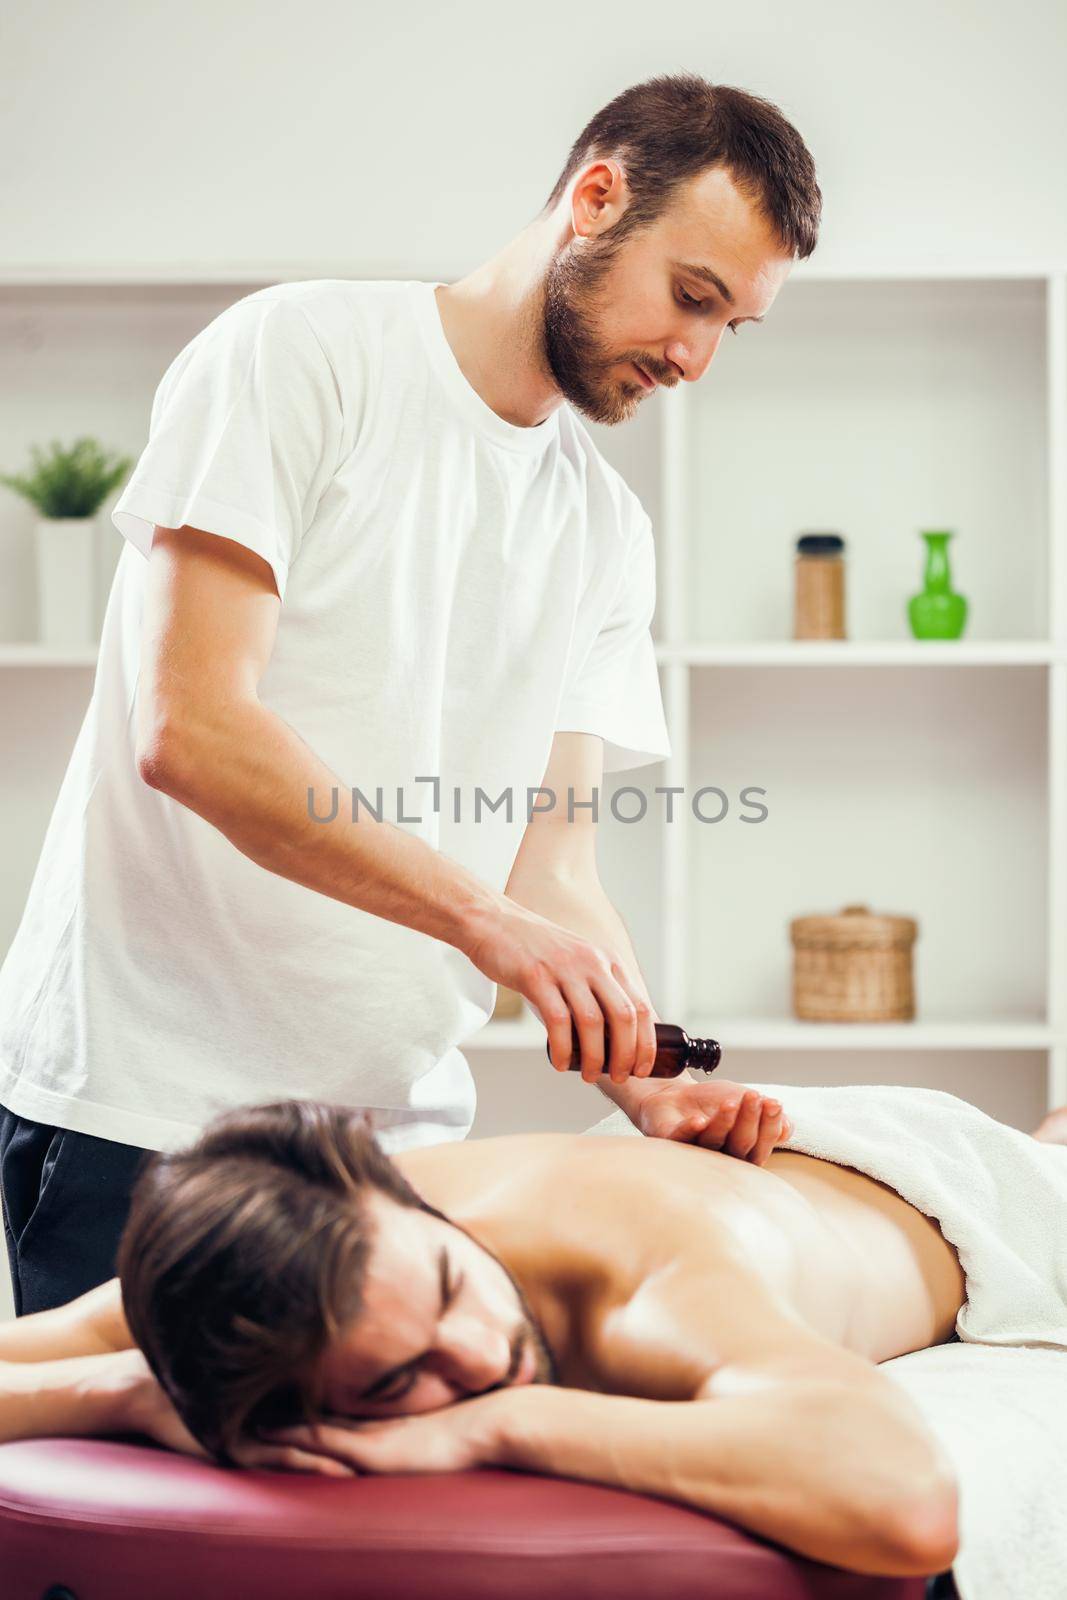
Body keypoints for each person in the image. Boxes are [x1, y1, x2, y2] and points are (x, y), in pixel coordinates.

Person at [0, 73, 819, 1315]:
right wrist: (481, 924)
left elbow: (549, 868)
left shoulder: (605, 528)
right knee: (135, 1500)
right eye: (689, 297)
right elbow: (194, 732)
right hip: (150, 1118)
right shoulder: (299, 355)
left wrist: (640, 1068)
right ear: (594, 198)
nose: (693, 356)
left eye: (729, 328)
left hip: (399, 1150)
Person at [6, 1089, 1067, 1576]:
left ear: (409, 1202)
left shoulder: (652, 1290)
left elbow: (905, 1506)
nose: (479, 1353)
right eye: (394, 1379)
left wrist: (503, 1426)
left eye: (450, 1284)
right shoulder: (282, 1262)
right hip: (762, 1181)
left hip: (967, 1191)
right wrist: (130, 1392)